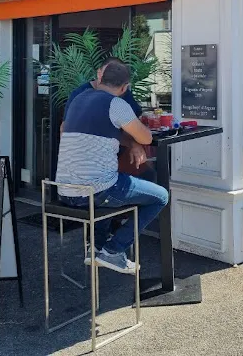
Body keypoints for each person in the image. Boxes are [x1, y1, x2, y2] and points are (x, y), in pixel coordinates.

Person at [55, 61, 168, 274]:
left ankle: (95, 248)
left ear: (100, 78)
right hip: (94, 191)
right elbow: (146, 136)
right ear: (125, 87)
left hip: (64, 190)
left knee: (112, 182)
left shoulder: (79, 99)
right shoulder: (116, 104)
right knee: (161, 196)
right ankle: (113, 251)